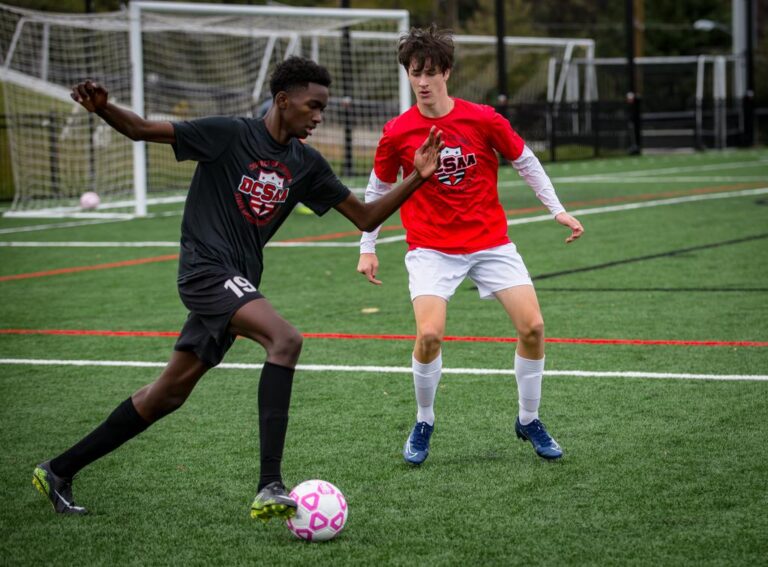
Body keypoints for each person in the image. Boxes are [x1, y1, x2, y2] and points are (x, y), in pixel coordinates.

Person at [32, 57, 443, 517]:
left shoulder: (305, 164)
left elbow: (366, 217)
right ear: (283, 101)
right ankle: (271, 484)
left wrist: (417, 177)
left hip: (239, 281)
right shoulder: (228, 134)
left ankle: (58, 469)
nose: (319, 117)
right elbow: (143, 130)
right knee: (285, 340)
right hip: (205, 272)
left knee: (168, 393)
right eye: (313, 106)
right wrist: (104, 109)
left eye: (322, 108)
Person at [356, 26, 583, 465]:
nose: (421, 81)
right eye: (413, 72)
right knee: (429, 334)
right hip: (431, 248)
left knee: (533, 328)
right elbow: (377, 187)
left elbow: (525, 160)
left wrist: (557, 209)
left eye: (429, 72)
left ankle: (528, 419)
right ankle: (424, 420)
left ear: (447, 72)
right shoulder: (398, 131)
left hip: (490, 243)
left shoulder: (481, 119)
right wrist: (368, 245)